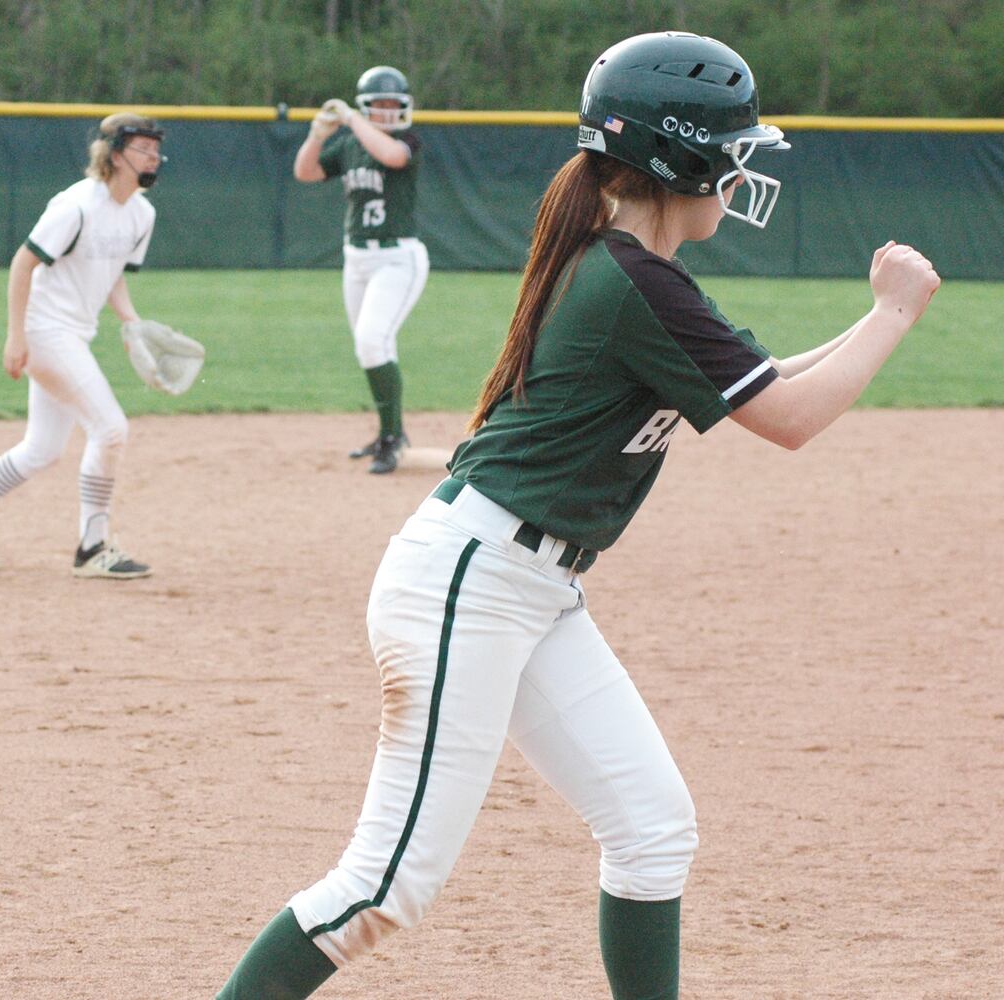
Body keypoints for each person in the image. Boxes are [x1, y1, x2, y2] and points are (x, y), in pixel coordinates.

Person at [217, 32, 939, 999]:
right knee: (386, 888)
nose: (740, 167)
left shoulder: (637, 271)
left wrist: (879, 314)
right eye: (731, 147)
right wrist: (894, 316)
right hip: (470, 582)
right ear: (680, 157)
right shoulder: (634, 280)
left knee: (652, 829)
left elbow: (768, 380)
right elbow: (792, 420)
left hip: (529, 583)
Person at [0, 112, 166, 579]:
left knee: (41, 448)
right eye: (143, 147)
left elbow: (112, 273)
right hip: (44, 331)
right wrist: (16, 336)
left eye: (156, 149)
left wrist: (132, 324)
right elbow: (22, 264)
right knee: (111, 429)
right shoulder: (75, 205)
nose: (154, 156)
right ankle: (92, 547)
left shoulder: (142, 213)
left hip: (73, 334)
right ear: (115, 154)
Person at [293, 65, 429, 475]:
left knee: (372, 341)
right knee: (369, 347)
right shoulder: (351, 144)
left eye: (393, 105)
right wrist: (318, 134)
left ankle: (391, 439)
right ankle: (391, 432)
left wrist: (352, 118)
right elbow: (305, 171)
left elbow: (390, 155)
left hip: (396, 257)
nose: (387, 112)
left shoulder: (407, 139)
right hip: (357, 258)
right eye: (379, 105)